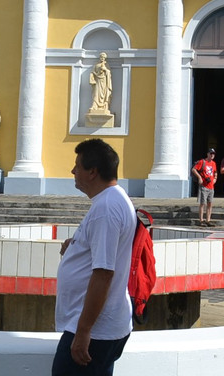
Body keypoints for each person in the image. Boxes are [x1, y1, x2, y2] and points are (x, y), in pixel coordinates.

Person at [54, 138, 135, 376]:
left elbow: (103, 273)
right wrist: (77, 245)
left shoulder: (106, 209)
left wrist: (83, 331)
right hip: (104, 326)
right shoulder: (113, 199)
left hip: (95, 331)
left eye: (77, 166)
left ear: (92, 172)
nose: (73, 171)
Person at [191, 148, 218, 226]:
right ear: (207, 154)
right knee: (202, 203)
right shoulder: (202, 162)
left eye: (213, 154)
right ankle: (201, 220)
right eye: (211, 153)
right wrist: (199, 177)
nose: (212, 155)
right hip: (204, 186)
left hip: (211, 186)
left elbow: (215, 172)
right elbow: (194, 170)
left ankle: (208, 220)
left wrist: (215, 178)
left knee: (210, 203)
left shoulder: (213, 163)